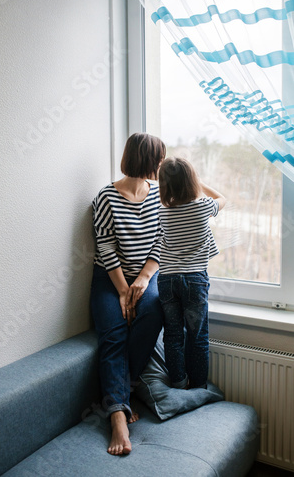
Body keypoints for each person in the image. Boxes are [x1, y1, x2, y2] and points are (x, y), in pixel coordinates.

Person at [90, 133, 166, 456]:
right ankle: (118, 416)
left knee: (153, 312)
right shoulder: (106, 197)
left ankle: (123, 389)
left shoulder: (161, 195)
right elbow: (105, 246)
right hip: (110, 279)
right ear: (149, 161)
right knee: (115, 331)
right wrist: (123, 290)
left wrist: (144, 280)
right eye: (159, 159)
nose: (162, 165)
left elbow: (163, 238)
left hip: (146, 276)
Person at [157, 156, 226, 390]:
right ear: (191, 181)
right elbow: (222, 199)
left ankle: (178, 382)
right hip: (195, 279)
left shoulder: (162, 211)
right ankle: (197, 387)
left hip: (166, 279)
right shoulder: (203, 206)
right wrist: (201, 183)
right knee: (197, 337)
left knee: (172, 335)